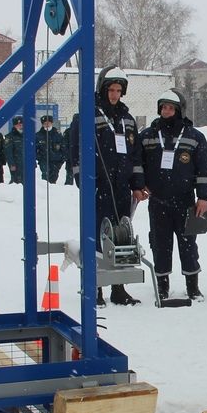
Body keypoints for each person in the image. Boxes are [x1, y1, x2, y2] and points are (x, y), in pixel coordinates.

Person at [68, 66, 143, 306]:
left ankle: (118, 288)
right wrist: (83, 181)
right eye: (111, 89)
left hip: (121, 188)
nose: (114, 94)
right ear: (103, 89)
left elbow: (135, 156)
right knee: (98, 237)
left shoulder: (128, 120)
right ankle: (96, 288)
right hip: (98, 185)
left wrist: (137, 185)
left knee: (121, 236)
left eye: (118, 90)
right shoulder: (88, 115)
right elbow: (75, 150)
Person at [132, 88, 207, 303]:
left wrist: (203, 197)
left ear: (179, 110)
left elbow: (205, 168)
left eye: (171, 107)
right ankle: (162, 286)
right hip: (158, 202)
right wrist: (140, 185)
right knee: (160, 244)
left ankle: (193, 287)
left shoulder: (194, 136)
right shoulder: (148, 135)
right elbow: (137, 162)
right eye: (163, 107)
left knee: (188, 245)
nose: (166, 111)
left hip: (186, 202)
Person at [37, 115, 69, 183]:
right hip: (44, 160)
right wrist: (39, 157)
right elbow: (35, 149)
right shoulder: (38, 135)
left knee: (53, 178)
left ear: (52, 123)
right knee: (45, 176)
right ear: (42, 124)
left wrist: (62, 158)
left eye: (49, 123)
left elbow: (63, 147)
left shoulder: (58, 134)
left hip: (56, 161)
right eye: (45, 123)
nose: (47, 125)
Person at [3, 116, 26, 184]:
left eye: (21, 124)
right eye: (18, 124)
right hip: (16, 163)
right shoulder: (9, 137)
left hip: (26, 163)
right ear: (14, 125)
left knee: (27, 181)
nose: (20, 126)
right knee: (16, 181)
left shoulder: (28, 135)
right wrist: (11, 164)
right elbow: (8, 152)